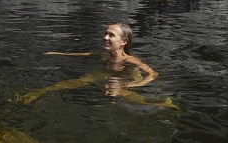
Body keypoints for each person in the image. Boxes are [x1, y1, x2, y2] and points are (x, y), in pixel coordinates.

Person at [18, 23, 178, 109]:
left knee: (116, 92)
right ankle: (39, 92)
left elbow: (152, 74)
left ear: (123, 42)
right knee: (73, 83)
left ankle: (163, 104)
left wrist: (135, 84)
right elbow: (86, 55)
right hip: (105, 74)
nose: (105, 37)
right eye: (105, 33)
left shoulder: (130, 60)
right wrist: (58, 54)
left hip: (122, 78)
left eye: (111, 35)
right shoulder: (104, 55)